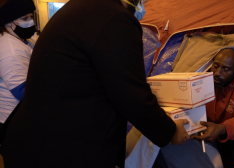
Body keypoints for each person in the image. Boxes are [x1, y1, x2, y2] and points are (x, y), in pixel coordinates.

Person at [1, 0, 190, 167]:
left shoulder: (81, 8)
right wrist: (170, 131)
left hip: (33, 140)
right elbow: (131, 95)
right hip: (57, 150)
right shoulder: (114, 18)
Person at [192, 48, 234, 168]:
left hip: (231, 134)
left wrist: (221, 128)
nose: (217, 73)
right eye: (216, 66)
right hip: (211, 127)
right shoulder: (204, 74)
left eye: (226, 69)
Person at [0, 0, 36, 129]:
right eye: (24, 18)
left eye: (31, 17)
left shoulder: (23, 40)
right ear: (9, 21)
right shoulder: (11, 50)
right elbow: (22, 91)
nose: (31, 21)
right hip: (13, 118)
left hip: (21, 113)